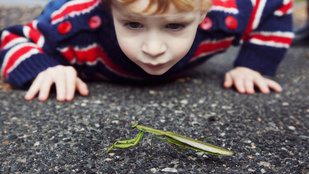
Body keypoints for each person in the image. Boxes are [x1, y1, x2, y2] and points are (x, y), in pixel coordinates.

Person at [0, 0, 294, 102]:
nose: (154, 49)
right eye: (133, 24)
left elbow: (277, 6)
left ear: (206, 11)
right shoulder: (73, 29)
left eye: (175, 26)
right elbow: (10, 39)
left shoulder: (226, 14)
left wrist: (253, 64)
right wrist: (45, 66)